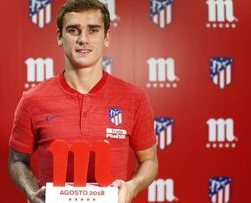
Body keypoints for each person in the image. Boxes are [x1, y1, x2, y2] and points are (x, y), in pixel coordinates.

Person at [8, 0, 158, 203]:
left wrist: (131, 187)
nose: (83, 39)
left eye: (93, 30)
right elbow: (18, 161)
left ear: (107, 37)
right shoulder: (33, 100)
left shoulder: (134, 98)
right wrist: (33, 192)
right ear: (59, 37)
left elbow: (149, 160)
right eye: (73, 30)